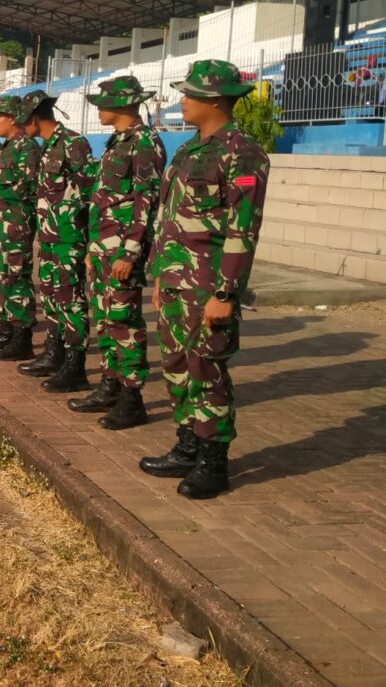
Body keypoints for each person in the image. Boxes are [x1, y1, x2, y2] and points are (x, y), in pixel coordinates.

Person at [141, 60, 269, 499]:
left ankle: (215, 462)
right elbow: (167, 219)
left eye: (190, 94)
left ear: (214, 100)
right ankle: (187, 445)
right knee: (176, 365)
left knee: (206, 369)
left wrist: (226, 292)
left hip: (208, 285)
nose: (183, 100)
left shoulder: (242, 152)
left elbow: (243, 229)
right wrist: (159, 272)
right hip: (177, 279)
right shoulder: (188, 150)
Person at [68, 75, 167, 430]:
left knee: (125, 322)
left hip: (123, 250)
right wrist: (95, 248)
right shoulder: (118, 141)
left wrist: (130, 252)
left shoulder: (144, 143)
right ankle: (110, 385)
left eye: (103, 103)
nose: (98, 109)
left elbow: (146, 200)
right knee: (107, 318)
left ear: (123, 104)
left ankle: (131, 397)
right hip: (104, 248)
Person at [20, 90, 98, 391]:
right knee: (53, 297)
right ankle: (55, 353)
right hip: (52, 238)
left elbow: (90, 194)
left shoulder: (73, 144)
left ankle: (76, 366)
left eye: (23, 121)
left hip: (70, 238)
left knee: (72, 301)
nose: (21, 127)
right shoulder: (47, 147)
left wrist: (91, 243)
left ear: (35, 118)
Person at [0, 95, 41, 360]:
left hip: (14, 226)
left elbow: (30, 189)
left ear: (14, 119)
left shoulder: (26, 148)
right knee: (0, 277)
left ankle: (22, 335)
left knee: (16, 278)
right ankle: (6, 326)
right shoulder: (6, 148)